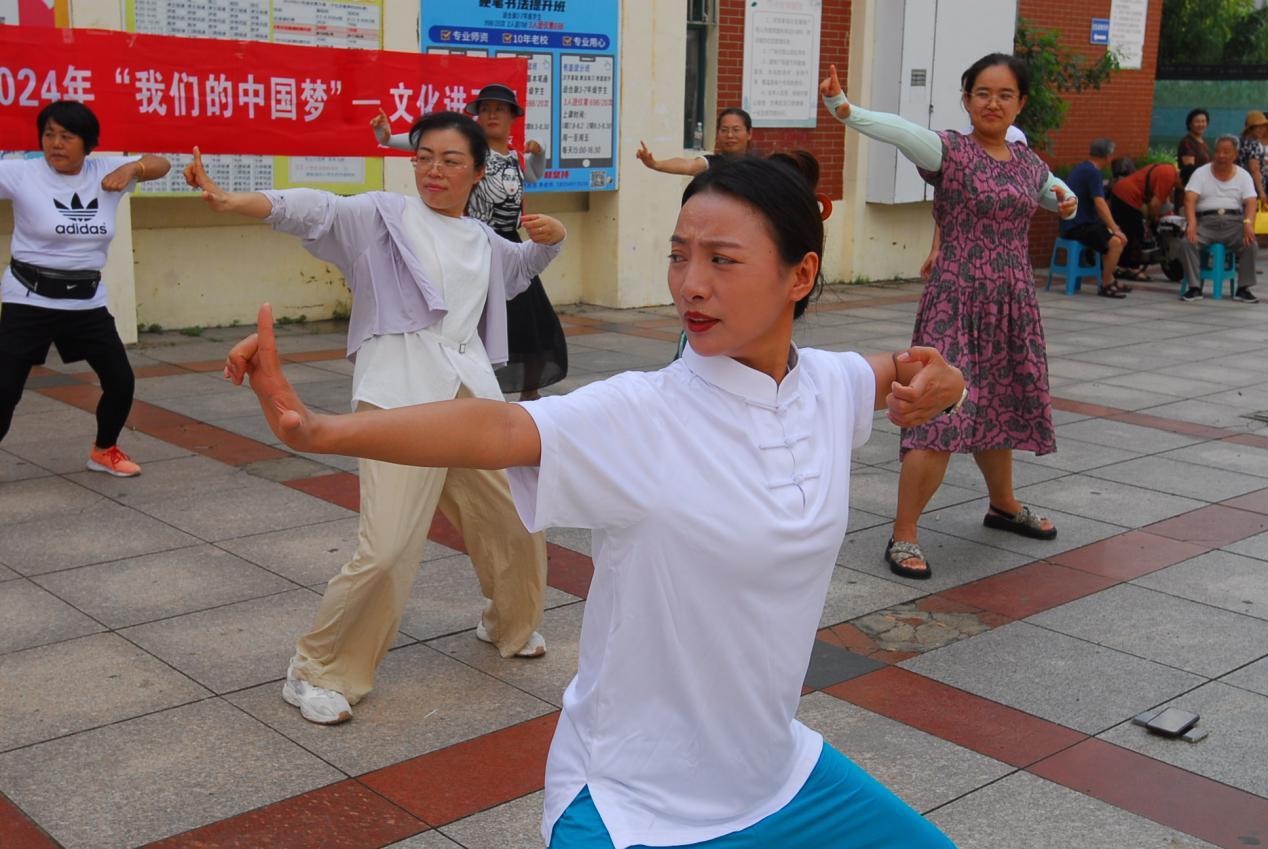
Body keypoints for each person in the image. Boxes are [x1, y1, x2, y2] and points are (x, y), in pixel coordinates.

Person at [223, 154, 965, 849]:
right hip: (632, 796)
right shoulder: (644, 412)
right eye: (679, 255)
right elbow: (503, 424)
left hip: (779, 776)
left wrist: (946, 382)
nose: (689, 284)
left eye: (722, 260)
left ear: (800, 275)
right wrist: (321, 428)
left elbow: (908, 370)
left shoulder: (828, 387)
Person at [183, 111, 566, 725]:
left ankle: (509, 625)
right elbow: (315, 210)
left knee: (519, 519)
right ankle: (317, 670)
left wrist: (550, 243)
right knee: (387, 549)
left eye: (449, 160)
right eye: (423, 157)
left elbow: (519, 272)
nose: (433, 171)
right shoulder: (381, 217)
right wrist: (235, 201)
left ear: (477, 170)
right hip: (397, 399)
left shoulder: (481, 240)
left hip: (470, 398)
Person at [820, 55, 1076, 580]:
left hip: (1012, 303)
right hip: (956, 300)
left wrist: (1066, 200)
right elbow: (901, 132)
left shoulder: (1028, 162)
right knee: (938, 410)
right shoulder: (951, 152)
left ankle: (1003, 504)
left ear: (1020, 103)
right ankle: (904, 534)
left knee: (999, 402)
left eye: (1005, 94)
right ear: (966, 100)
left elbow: (1052, 191)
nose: (992, 103)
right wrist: (845, 110)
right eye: (982, 92)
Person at [0, 101, 171, 476]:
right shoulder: (22, 174)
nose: (55, 144)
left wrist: (132, 167)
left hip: (86, 302)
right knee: (5, 389)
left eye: (66, 136)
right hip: (28, 298)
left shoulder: (107, 168)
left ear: (87, 142)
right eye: (48, 135)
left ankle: (104, 450)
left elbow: (161, 163)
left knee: (120, 381)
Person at [374, 83, 567, 401]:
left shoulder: (516, 157)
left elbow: (535, 174)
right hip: (474, 244)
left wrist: (541, 152)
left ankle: (529, 393)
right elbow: (423, 143)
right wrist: (385, 136)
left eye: (500, 109)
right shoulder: (470, 152)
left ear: (511, 117)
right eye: (486, 108)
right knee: (474, 324)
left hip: (511, 246)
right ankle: (468, 383)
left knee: (533, 324)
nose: (492, 114)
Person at [923, 125, 1028, 279]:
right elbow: (949, 201)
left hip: (1002, 255)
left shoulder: (1014, 138)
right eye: (982, 98)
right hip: (962, 251)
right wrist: (936, 248)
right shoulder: (960, 138)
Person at [1179, 134, 1260, 303]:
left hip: (1234, 223)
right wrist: (1192, 222)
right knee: (1187, 242)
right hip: (1206, 223)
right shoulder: (1201, 173)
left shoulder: (1243, 175)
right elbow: (1189, 198)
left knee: (1250, 243)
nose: (1221, 156)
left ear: (1235, 154)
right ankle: (1194, 287)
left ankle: (1243, 288)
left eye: (1226, 152)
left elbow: (1251, 202)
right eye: (1218, 152)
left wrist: (1248, 223)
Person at [1060, 138, 1129, 298]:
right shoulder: (1092, 172)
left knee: (1111, 238)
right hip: (1077, 226)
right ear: (1107, 156)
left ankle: (1110, 279)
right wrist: (1115, 228)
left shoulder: (1083, 168)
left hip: (1074, 223)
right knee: (1117, 242)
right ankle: (1106, 284)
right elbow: (1100, 203)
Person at [1108, 160, 1180, 281]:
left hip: (1121, 192)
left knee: (1127, 233)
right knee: (1136, 233)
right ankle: (1132, 268)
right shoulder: (1169, 177)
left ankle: (1122, 266)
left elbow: (1163, 201)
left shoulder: (1169, 169)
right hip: (1127, 196)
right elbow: (1154, 205)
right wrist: (1153, 220)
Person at [635, 107, 754, 176]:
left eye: (736, 130)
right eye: (724, 130)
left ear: (749, 134)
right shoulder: (711, 164)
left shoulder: (759, 167)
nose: (730, 135)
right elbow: (688, 165)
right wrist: (655, 164)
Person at [1236, 110, 1268, 208]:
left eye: (1264, 126)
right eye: (1259, 127)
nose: (1263, 130)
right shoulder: (1253, 144)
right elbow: (1254, 170)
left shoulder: (1240, 141)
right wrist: (1261, 192)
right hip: (1252, 188)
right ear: (1251, 128)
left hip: (1239, 185)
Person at [1177, 107, 1211, 187]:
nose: (1201, 124)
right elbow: (1189, 170)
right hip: (1191, 186)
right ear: (1190, 124)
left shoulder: (1203, 141)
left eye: (1203, 121)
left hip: (1203, 184)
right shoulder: (1187, 142)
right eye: (1197, 121)